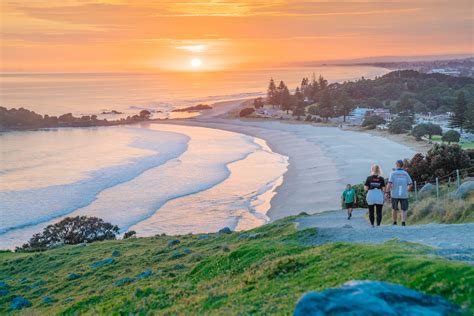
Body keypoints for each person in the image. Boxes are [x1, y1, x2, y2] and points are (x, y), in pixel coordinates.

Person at [386, 160, 413, 226]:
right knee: (404, 208)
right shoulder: (405, 173)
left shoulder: (392, 173)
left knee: (394, 208)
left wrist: (387, 192)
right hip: (404, 194)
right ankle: (403, 222)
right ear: (402, 165)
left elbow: (389, 184)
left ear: (396, 165)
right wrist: (407, 190)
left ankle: (394, 222)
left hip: (394, 194)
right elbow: (410, 184)